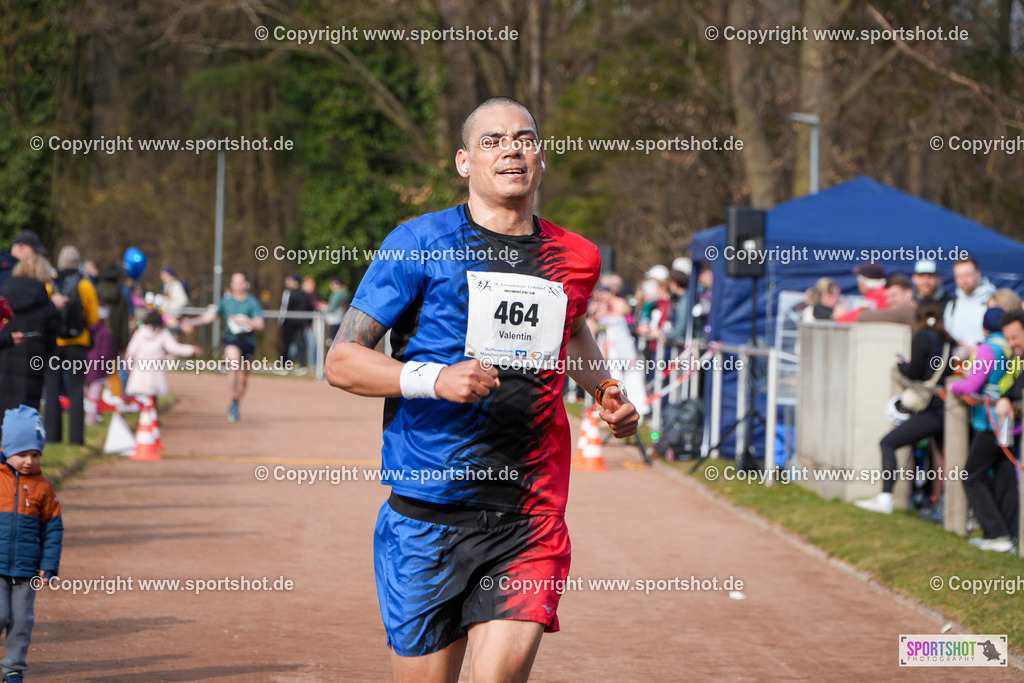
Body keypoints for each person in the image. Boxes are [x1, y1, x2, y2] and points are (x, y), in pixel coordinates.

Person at [325, 96, 639, 681]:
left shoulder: (576, 257)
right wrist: (434, 378)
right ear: (464, 162)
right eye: (492, 141)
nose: (511, 150)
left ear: (540, 157)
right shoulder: (419, 243)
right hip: (427, 516)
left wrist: (606, 391)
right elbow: (342, 361)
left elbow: (570, 329)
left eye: (524, 138)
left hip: (529, 514)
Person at [854, 301, 953, 514]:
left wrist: (901, 364)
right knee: (943, 457)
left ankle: (885, 498)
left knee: (887, 443)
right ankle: (941, 507)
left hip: (930, 410)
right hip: (946, 409)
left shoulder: (923, 337)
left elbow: (914, 372)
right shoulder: (948, 341)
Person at [0, 405, 63, 683]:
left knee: (22, 622)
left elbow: (53, 529)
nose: (29, 461)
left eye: (35, 455)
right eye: (22, 453)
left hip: (27, 570)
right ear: (6, 450)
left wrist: (49, 564)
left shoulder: (43, 488)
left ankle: (13, 668)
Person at [949, 308, 1018, 552]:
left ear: (985, 328)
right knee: (1004, 478)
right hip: (1009, 421)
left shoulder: (990, 348)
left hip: (991, 421)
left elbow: (973, 383)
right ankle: (1011, 535)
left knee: (971, 475)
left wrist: (954, 387)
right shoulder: (1010, 347)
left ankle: (996, 533)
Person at [180, 272, 265, 423]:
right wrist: (192, 322)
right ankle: (233, 398)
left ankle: (236, 402)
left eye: (239, 282)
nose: (236, 285)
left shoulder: (252, 302)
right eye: (234, 282)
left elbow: (260, 324)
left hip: (248, 342)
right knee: (234, 364)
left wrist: (245, 321)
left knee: (244, 379)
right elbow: (210, 316)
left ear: (246, 284)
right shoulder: (226, 301)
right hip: (232, 340)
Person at [42, 247, 99, 445]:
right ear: (77, 263)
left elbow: (44, 310)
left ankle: (52, 435)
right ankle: (76, 438)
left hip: (53, 343)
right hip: (78, 343)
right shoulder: (85, 285)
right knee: (76, 390)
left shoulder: (50, 284)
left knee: (52, 390)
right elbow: (93, 317)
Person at [0, 255, 58, 446]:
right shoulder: (45, 303)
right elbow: (51, 343)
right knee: (25, 420)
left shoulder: (3, 295)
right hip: (31, 366)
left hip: (3, 360)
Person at [124, 310, 200, 403]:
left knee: (140, 399)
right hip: (155, 370)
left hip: (140, 368)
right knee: (153, 399)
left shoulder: (140, 332)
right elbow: (174, 348)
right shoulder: (162, 332)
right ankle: (152, 411)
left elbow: (131, 351)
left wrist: (128, 365)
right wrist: (191, 349)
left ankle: (144, 411)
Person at [944, 256, 996, 349]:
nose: (964, 280)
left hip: (985, 356)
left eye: (968, 275)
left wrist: (976, 350)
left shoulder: (992, 302)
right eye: (960, 276)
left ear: (978, 274)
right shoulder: (952, 305)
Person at [277, 274, 312, 370]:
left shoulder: (290, 294)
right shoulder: (304, 294)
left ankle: (283, 364)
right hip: (299, 323)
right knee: (297, 344)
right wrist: (308, 322)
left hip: (290, 322)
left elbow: (285, 308)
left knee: (289, 344)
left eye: (289, 280)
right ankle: (300, 365)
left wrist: (281, 320)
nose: (287, 283)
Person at [324, 277, 350, 342]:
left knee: (331, 340)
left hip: (334, 320)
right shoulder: (346, 293)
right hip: (341, 319)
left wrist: (324, 310)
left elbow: (332, 308)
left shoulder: (337, 294)